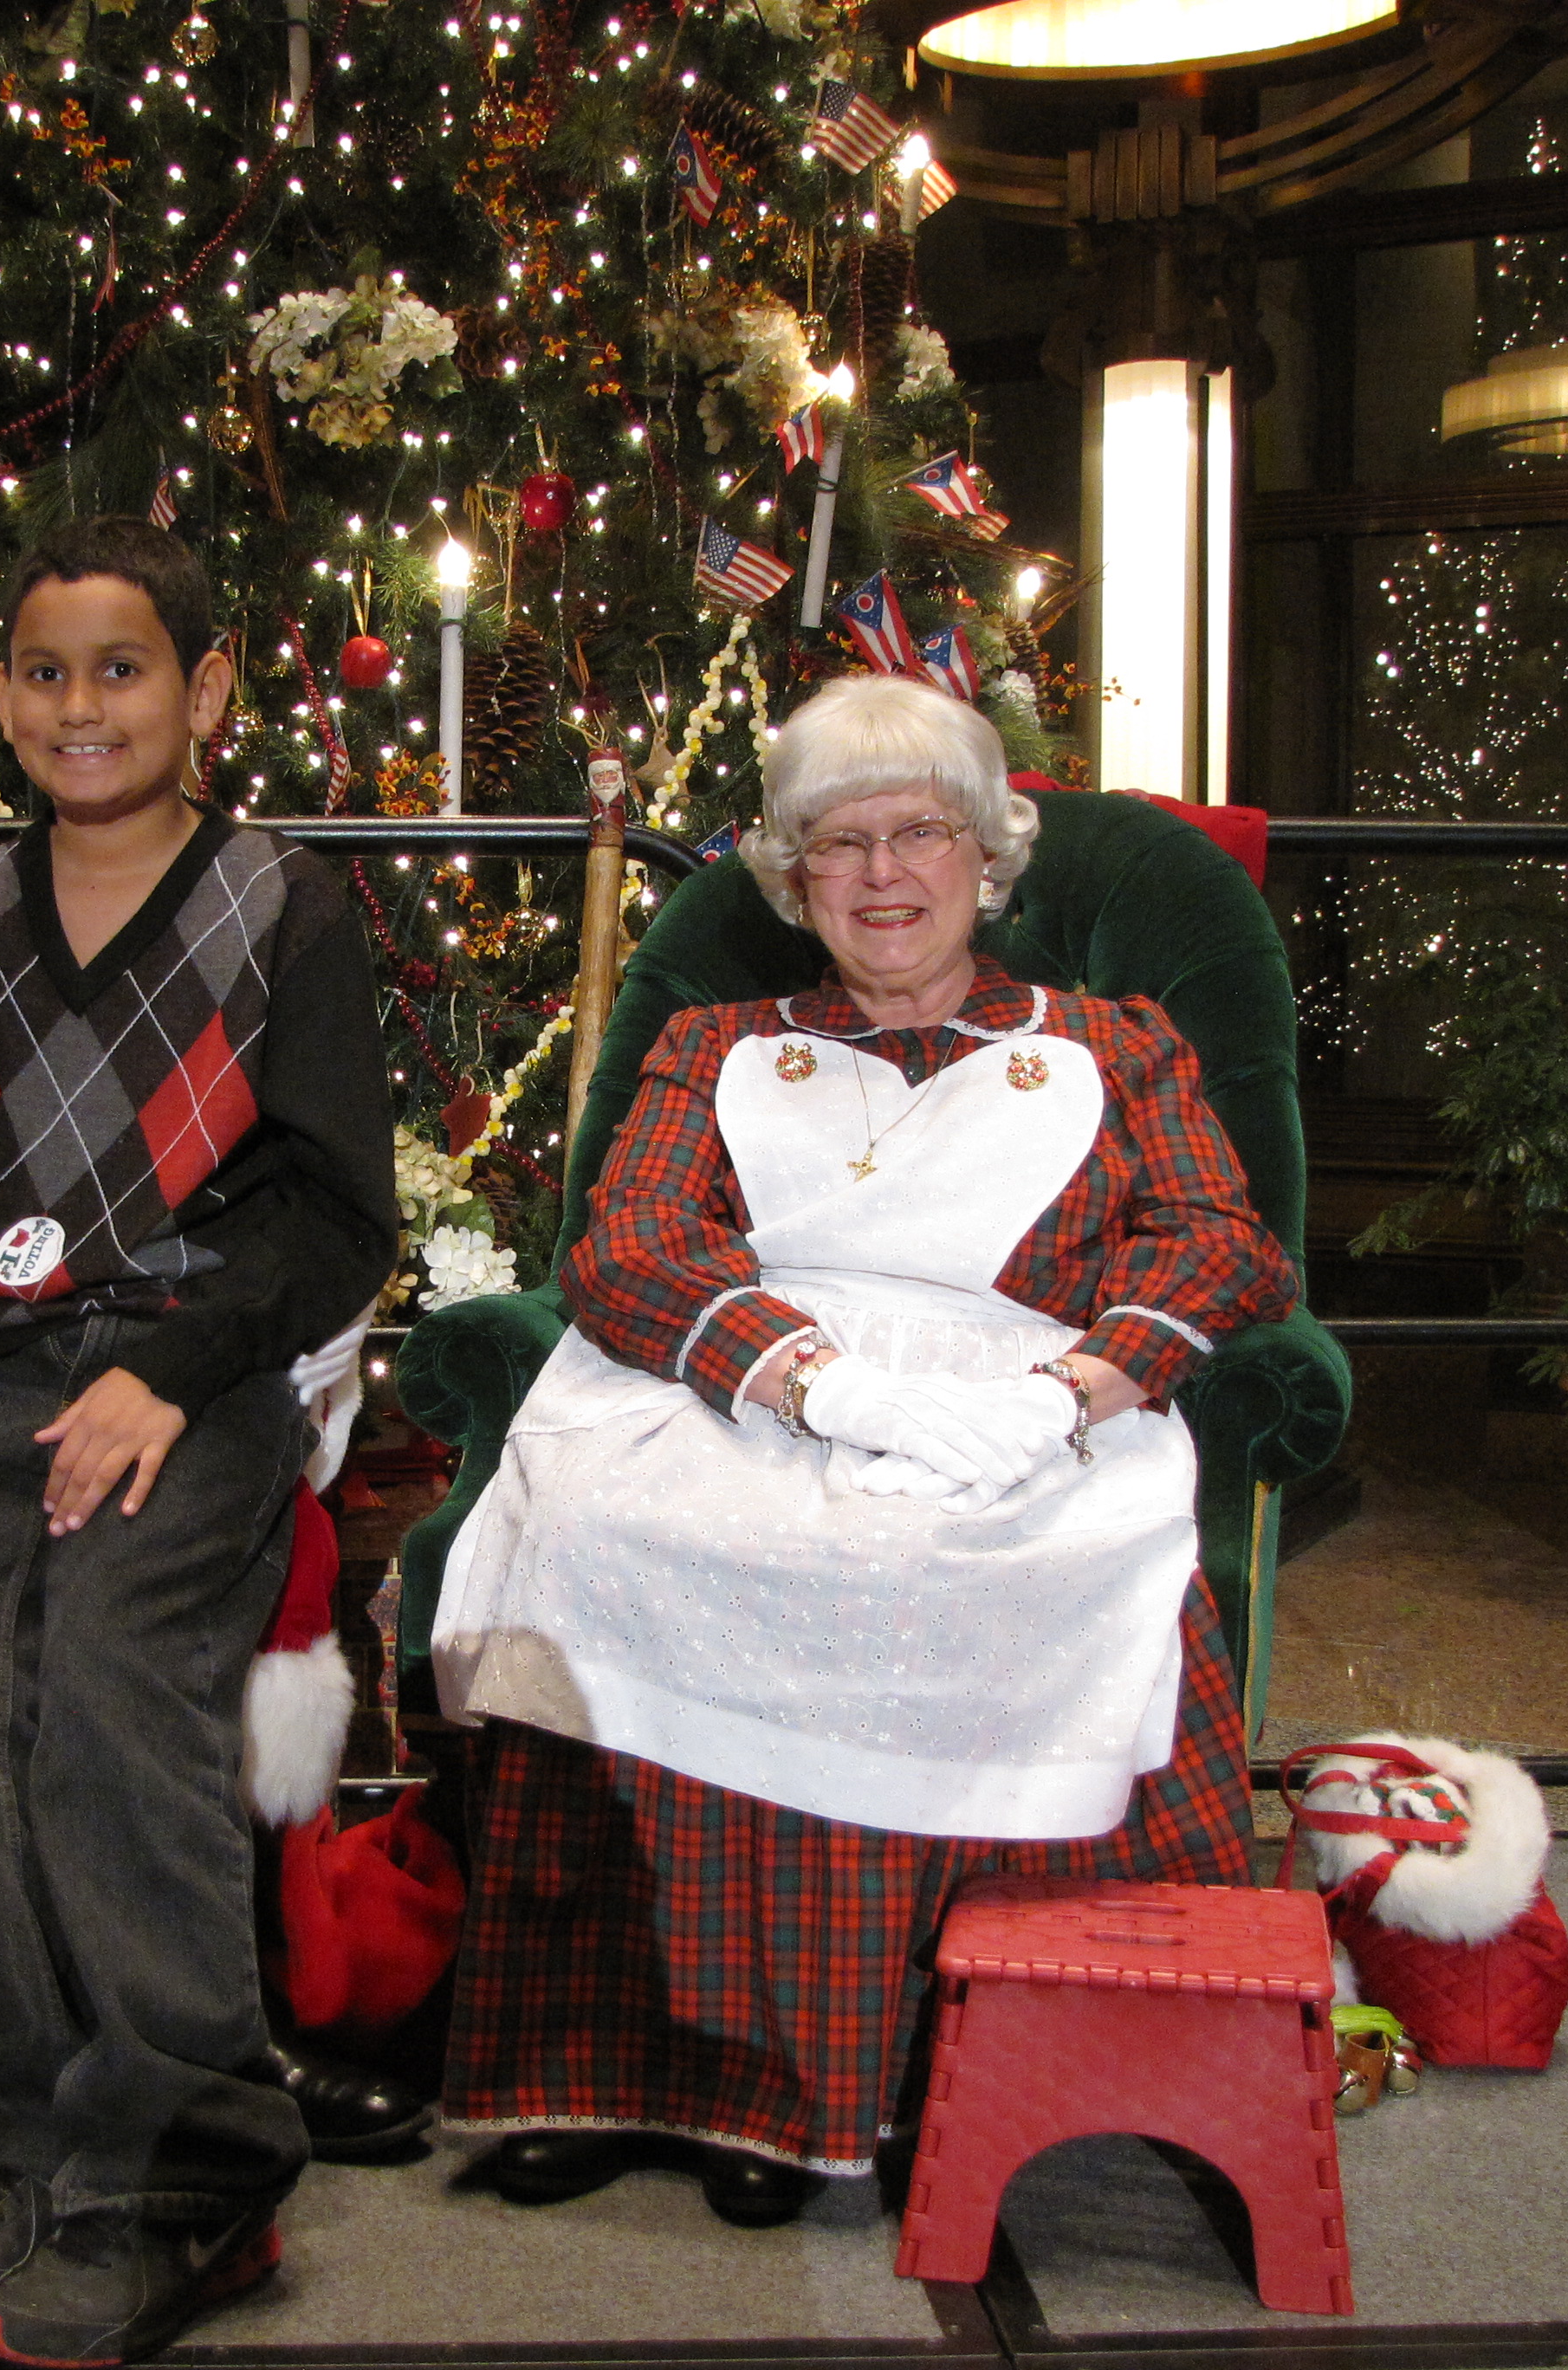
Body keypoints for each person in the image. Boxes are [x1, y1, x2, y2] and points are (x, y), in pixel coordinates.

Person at [429, 671, 1298, 2226]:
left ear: (989, 854)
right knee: (600, 1528)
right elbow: (628, 1245)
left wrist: (1076, 1388)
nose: (883, 874)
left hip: (1020, 1399)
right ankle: (627, 2064)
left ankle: (842, 2072)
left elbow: (1219, 1242)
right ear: (792, 873)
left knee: (914, 1554)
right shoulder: (717, 1044)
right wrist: (813, 1383)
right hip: (751, 1381)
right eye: (839, 842)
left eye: (922, 834)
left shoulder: (1118, 1045)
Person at [0, 517, 400, 2367]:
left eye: (122, 668)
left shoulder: (281, 904)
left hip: (199, 1373)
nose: (80, 706)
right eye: (43, 672)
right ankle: (36, 2143)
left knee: (110, 1676)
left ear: (205, 688)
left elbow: (336, 1213)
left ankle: (189, 2174)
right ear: (4, 695)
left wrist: (178, 1375)